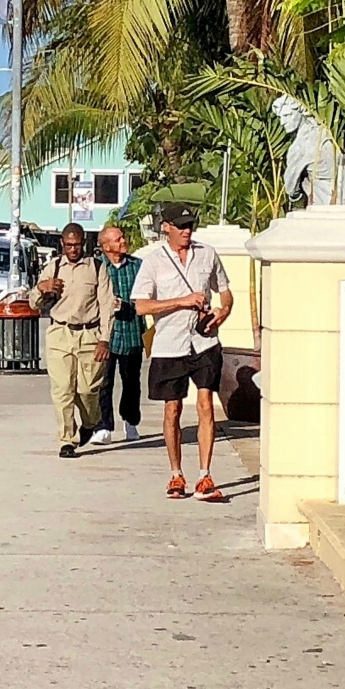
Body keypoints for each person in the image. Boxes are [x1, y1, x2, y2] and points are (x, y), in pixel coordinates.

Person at [131, 203, 234, 501]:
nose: (187, 231)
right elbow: (142, 305)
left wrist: (222, 313)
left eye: (191, 226)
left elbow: (225, 292)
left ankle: (205, 475)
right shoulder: (153, 262)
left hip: (204, 342)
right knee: (172, 409)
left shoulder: (207, 254)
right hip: (169, 344)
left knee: (205, 404)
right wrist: (181, 301)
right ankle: (176, 473)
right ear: (167, 227)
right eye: (181, 226)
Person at [29, 222, 114, 457]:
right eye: (69, 245)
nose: (73, 249)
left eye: (77, 245)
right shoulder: (53, 267)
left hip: (89, 334)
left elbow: (107, 306)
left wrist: (104, 339)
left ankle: (90, 422)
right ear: (62, 244)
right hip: (60, 333)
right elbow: (33, 302)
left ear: (84, 243)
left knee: (88, 390)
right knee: (62, 389)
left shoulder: (97, 268)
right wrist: (41, 288)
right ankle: (67, 440)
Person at [89, 224, 143, 444]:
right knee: (104, 381)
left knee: (131, 381)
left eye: (122, 237)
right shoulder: (97, 269)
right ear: (106, 246)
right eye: (118, 239)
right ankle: (103, 426)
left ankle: (131, 421)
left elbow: (148, 295)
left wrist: (128, 304)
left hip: (131, 331)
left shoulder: (138, 266)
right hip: (105, 334)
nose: (123, 241)